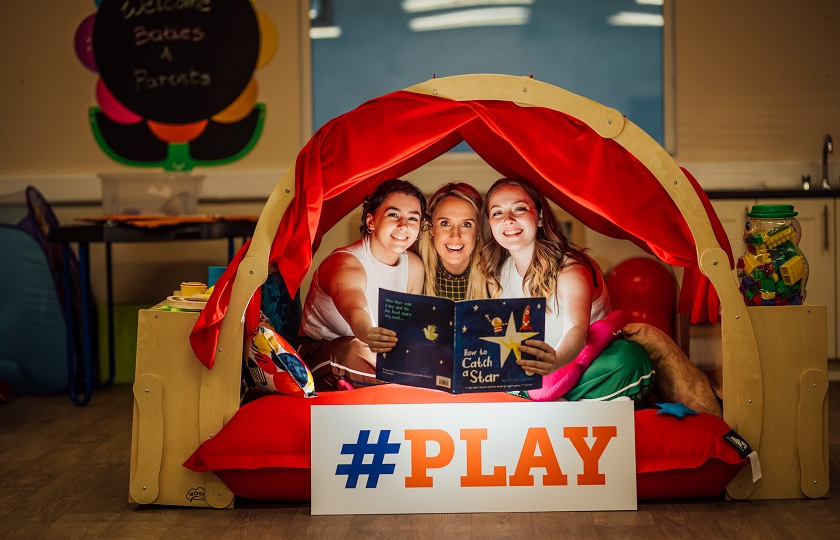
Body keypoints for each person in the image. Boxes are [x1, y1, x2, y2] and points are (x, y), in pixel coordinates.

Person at [480, 177, 653, 403]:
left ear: (540, 217)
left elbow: (577, 332)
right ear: (490, 224)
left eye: (519, 209)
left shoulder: (571, 268)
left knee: (627, 358)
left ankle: (547, 400)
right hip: (536, 378)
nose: (508, 220)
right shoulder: (501, 271)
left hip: (585, 366)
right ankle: (548, 399)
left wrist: (554, 361)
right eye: (497, 213)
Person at [297, 179, 426, 391]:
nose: (404, 225)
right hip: (324, 353)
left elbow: (406, 328)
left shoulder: (413, 266)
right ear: (370, 221)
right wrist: (370, 335)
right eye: (393, 214)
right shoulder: (345, 263)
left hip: (380, 356)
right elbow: (356, 310)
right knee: (354, 350)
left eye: (413, 218)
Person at [417, 182, 488, 301]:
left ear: (478, 231)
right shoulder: (410, 270)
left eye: (466, 224)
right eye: (445, 223)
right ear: (431, 228)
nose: (455, 235)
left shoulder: (496, 274)